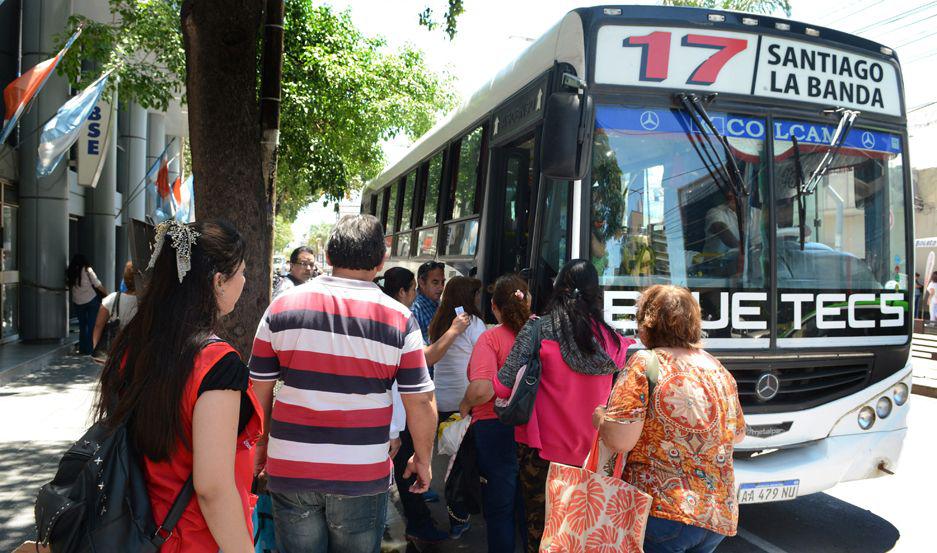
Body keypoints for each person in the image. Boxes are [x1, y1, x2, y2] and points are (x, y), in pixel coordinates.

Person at [250, 215, 438, 553]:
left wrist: (261, 449)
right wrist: (422, 459)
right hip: (361, 473)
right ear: (381, 261)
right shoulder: (399, 319)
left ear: (329, 255)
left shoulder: (281, 308)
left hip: (291, 467)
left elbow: (259, 389)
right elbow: (420, 402)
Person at [95, 220, 258, 552]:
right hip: (191, 539)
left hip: (131, 532)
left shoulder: (133, 346)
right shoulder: (216, 365)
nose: (244, 280)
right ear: (218, 281)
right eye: (242, 272)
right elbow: (213, 488)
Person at [594, 284, 746, 553]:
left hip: (662, 511)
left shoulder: (646, 363)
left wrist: (600, 419)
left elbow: (620, 440)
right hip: (716, 515)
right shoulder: (717, 368)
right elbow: (738, 434)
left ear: (648, 323)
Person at [495, 259, 633, 552]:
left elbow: (502, 386)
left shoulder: (537, 329)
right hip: (595, 458)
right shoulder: (613, 340)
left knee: (543, 536)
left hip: (542, 457)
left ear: (557, 288)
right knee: (585, 537)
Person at [374, 266, 471, 544]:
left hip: (394, 407)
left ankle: (417, 518)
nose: (417, 294)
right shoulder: (406, 317)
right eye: (415, 288)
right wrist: (454, 331)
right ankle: (418, 523)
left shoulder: (387, 314)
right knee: (407, 461)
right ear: (403, 291)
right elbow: (425, 359)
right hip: (402, 405)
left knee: (401, 463)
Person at [459, 274, 531, 553]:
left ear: (493, 306)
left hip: (495, 426)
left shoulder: (490, 339)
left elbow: (481, 389)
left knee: (500, 507)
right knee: (530, 506)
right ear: (528, 300)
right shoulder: (543, 332)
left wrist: (465, 404)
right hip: (535, 428)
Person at [427, 276, 487, 539]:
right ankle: (459, 516)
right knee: (463, 464)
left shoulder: (440, 321)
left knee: (455, 459)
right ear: (468, 297)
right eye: (476, 294)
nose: (479, 299)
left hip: (442, 402)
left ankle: (458, 513)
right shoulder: (473, 323)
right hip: (466, 403)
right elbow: (485, 356)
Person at [92, 261, 139, 353]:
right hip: (137, 350)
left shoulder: (112, 299)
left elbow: (98, 326)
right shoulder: (145, 301)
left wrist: (96, 349)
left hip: (114, 350)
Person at [67, 254, 108, 355]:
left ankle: (82, 348)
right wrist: (106, 294)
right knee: (91, 325)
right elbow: (97, 284)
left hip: (78, 302)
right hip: (91, 300)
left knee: (82, 326)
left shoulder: (71, 271)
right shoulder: (87, 270)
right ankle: (90, 349)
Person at [412, 261, 446, 343]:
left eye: (443, 282)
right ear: (421, 282)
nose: (441, 288)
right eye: (435, 282)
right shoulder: (415, 309)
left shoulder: (437, 303)